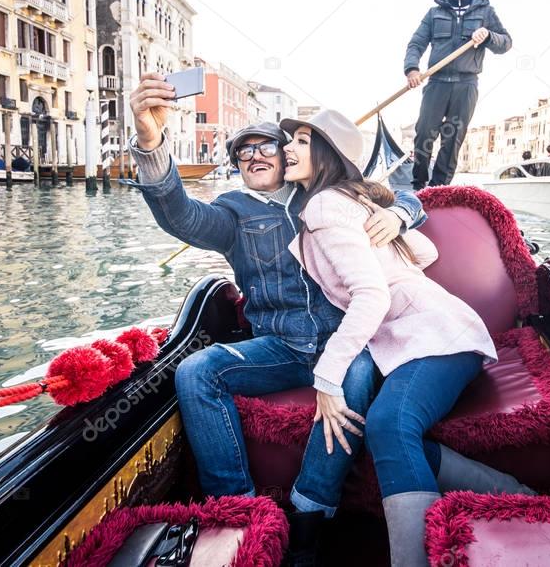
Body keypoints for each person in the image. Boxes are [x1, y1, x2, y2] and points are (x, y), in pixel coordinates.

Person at [125, 73, 427, 563]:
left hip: (345, 341)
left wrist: (399, 216)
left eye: (264, 145)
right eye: (243, 153)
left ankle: (310, 512)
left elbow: (409, 196)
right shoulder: (232, 214)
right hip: (281, 349)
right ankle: (238, 510)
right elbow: (178, 213)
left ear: (285, 154)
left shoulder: (324, 192)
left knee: (353, 380)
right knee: (195, 371)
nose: (254, 157)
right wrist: (149, 139)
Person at [281, 109, 534, 566]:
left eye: (300, 140)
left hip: (436, 337)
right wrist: (393, 221)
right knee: (389, 430)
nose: (287, 148)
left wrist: (326, 377)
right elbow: (427, 251)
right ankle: (515, 494)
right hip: (438, 335)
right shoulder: (352, 202)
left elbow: (371, 295)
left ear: (327, 153)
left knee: (388, 424)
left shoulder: (323, 206)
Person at [403, 0, 511, 190]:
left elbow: (506, 43)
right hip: (437, 83)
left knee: (452, 141)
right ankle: (418, 186)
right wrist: (412, 69)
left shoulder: (485, 12)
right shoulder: (434, 13)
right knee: (423, 134)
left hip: (466, 84)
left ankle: (438, 189)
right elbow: (416, 43)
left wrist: (489, 35)